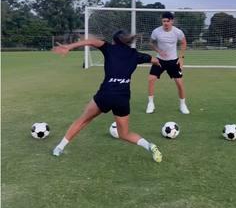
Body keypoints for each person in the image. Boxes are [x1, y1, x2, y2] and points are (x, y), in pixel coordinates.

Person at [52, 30, 163, 163]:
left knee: (83, 120)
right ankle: (150, 146)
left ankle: (59, 147)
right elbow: (155, 60)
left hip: (106, 94)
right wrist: (159, 63)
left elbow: (91, 41)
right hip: (122, 98)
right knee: (124, 134)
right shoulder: (135, 54)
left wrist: (68, 47)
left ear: (114, 41)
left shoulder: (108, 48)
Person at [146, 11, 190, 114]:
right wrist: (158, 51)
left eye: (167, 21)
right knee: (151, 79)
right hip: (159, 60)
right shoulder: (156, 31)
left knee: (180, 83)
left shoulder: (177, 32)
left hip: (174, 61)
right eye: (163, 21)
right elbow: (151, 43)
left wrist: (181, 57)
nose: (165, 23)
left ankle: (183, 105)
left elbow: (183, 42)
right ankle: (151, 103)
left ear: (172, 21)